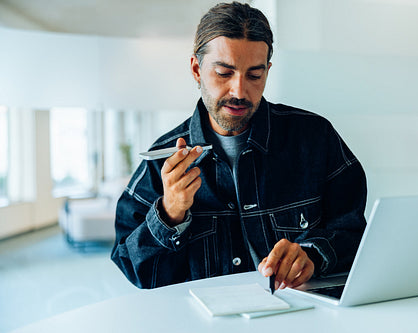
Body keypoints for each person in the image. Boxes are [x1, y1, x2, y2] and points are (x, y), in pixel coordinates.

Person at [111, 1, 367, 290]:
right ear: (197, 69)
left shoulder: (315, 138)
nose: (239, 91)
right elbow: (132, 266)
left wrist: (312, 254)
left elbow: (357, 234)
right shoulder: (162, 160)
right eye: (223, 73)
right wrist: (170, 215)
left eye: (255, 75)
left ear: (267, 71)